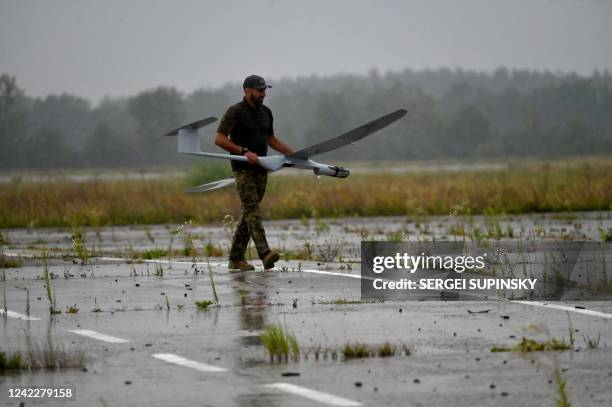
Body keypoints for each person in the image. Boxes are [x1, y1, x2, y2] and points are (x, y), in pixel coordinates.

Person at [215, 75, 294, 271]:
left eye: (264, 90)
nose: (263, 94)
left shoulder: (266, 112)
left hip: (262, 169)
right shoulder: (235, 112)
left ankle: (235, 258)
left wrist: (292, 154)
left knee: (248, 214)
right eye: (259, 91)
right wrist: (243, 151)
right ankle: (265, 253)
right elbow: (219, 139)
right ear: (247, 90)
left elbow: (270, 139)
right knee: (252, 211)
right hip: (243, 169)